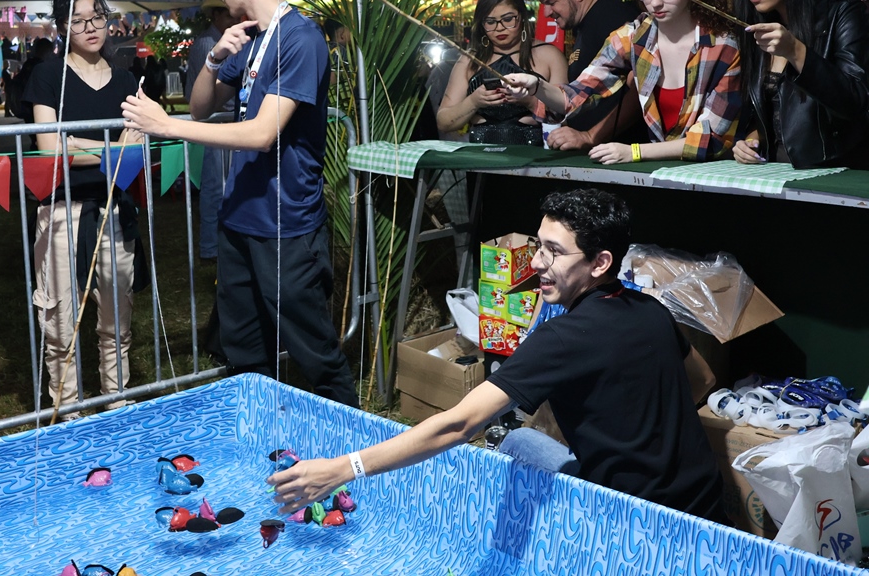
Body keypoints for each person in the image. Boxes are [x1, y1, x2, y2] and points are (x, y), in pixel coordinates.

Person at [267, 188, 730, 526]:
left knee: (513, 441)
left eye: (554, 251)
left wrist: (343, 468)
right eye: (538, 245)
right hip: (705, 506)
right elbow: (703, 379)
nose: (536, 263)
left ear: (600, 263)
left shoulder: (563, 338)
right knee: (524, 440)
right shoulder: (651, 309)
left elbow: (457, 425)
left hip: (631, 520)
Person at [122, 0, 359, 407]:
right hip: (239, 219)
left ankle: (358, 439)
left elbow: (261, 133)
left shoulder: (301, 38)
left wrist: (164, 126)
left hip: (286, 225)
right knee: (244, 350)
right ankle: (262, 435)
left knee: (314, 351)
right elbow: (200, 108)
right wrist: (214, 59)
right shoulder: (250, 39)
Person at [23, 0, 147, 420]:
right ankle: (68, 413)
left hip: (114, 210)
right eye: (77, 21)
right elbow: (49, 149)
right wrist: (110, 148)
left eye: (97, 17)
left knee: (116, 322)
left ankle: (117, 403)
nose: (90, 27)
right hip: (62, 212)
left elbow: (137, 145)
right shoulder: (48, 76)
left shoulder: (127, 80)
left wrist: (77, 143)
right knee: (61, 325)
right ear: (62, 27)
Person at [506, 0, 742, 164]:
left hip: (710, 175)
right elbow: (577, 95)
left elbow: (711, 140)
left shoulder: (723, 47)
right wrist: (536, 86)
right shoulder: (633, 37)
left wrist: (634, 151)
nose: (655, 2)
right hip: (657, 173)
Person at [732, 0, 869, 169]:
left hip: (833, 172)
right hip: (773, 174)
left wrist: (795, 51)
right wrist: (751, 139)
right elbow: (764, 110)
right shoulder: (758, 27)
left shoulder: (844, 14)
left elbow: (855, 103)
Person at [521, 0, 641, 151]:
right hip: (600, 155)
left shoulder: (612, 19)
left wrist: (590, 135)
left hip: (622, 155)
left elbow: (640, 87)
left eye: (551, 2)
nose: (546, 13)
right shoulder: (586, 22)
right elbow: (586, 93)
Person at [436, 0, 567, 146]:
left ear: (521, 16)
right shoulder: (470, 60)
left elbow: (567, 115)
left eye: (508, 19)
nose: (499, 28)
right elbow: (443, 122)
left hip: (533, 155)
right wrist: (473, 102)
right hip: (481, 156)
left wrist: (530, 101)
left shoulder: (549, 56)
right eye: (490, 22)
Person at [184, 0, 241, 260]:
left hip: (218, 120)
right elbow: (219, 88)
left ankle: (215, 245)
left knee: (218, 184)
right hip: (215, 121)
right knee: (215, 186)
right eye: (228, 15)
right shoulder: (210, 44)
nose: (233, 20)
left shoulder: (211, 41)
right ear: (216, 16)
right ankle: (210, 246)